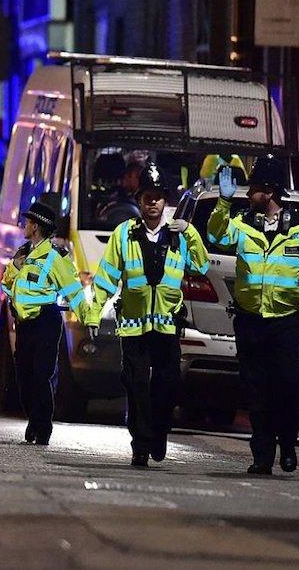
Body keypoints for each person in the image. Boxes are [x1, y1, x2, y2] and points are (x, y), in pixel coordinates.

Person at [209, 156, 299, 475]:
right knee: (256, 391)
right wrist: (223, 201)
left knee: (287, 386)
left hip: (286, 322)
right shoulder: (243, 223)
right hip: (250, 320)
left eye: (254, 187)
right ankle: (262, 455)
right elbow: (216, 236)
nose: (248, 193)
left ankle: (287, 443)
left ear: (271, 191)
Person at [87, 163, 209, 466]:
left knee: (167, 387)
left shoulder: (178, 236)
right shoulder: (124, 234)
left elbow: (202, 266)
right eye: (147, 197)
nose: (152, 203)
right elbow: (105, 279)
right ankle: (140, 446)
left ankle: (159, 432)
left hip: (167, 327)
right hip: (133, 327)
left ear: (165, 201)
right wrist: (92, 314)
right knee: (136, 387)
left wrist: (191, 232)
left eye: (157, 197)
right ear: (139, 200)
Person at [1, 201, 91, 446]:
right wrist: (12, 271)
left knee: (41, 375)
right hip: (24, 323)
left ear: (37, 226)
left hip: (46, 320)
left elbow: (74, 291)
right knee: (24, 378)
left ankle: (42, 428)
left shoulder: (56, 257)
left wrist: (88, 319)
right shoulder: (23, 253)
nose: (24, 225)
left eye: (28, 222)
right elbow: (6, 285)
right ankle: (34, 419)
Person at [95, 160, 143, 225]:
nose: (125, 177)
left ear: (139, 180)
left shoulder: (143, 199)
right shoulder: (115, 194)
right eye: (126, 173)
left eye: (129, 175)